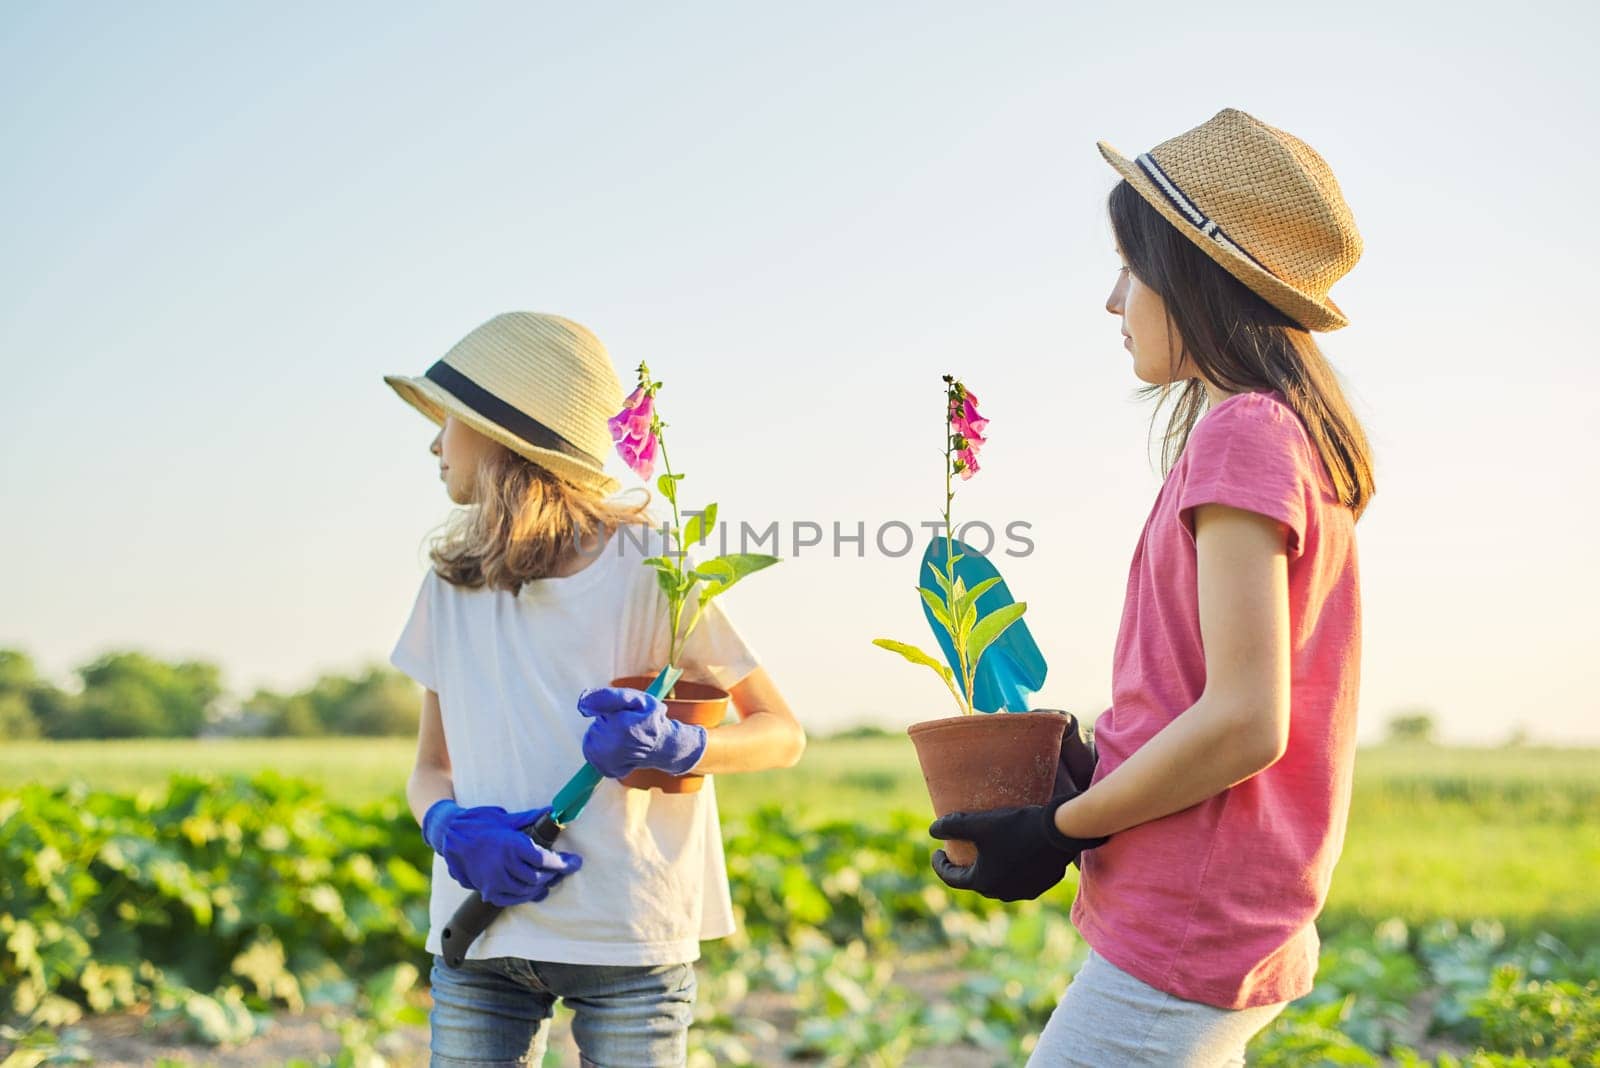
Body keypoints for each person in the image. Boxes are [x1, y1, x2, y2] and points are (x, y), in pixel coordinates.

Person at [929, 108, 1373, 1066]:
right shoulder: (1281, 436)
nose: (1112, 300)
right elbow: (1212, 690)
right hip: (1214, 904)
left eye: (1129, 269)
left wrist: (1051, 828)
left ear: (1187, 276)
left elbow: (1250, 720)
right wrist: (1106, 761)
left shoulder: (1245, 435)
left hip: (1190, 912)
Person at [382, 311, 806, 1067]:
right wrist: (449, 828)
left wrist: (686, 745)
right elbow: (429, 768)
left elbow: (781, 731)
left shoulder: (653, 567)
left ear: (501, 437)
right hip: (485, 936)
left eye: (448, 420)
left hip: (630, 938)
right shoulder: (451, 585)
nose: (433, 441)